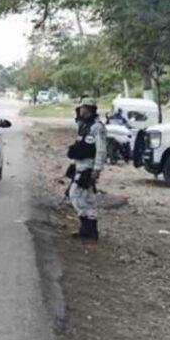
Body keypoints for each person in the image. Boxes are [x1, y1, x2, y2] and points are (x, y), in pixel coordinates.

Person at [66, 97, 107, 242]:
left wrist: (97, 169)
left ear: (89, 109)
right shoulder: (84, 126)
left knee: (75, 195)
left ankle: (88, 230)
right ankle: (88, 232)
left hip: (88, 167)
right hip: (80, 165)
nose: (80, 110)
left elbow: (101, 150)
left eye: (83, 108)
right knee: (88, 199)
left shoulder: (97, 127)